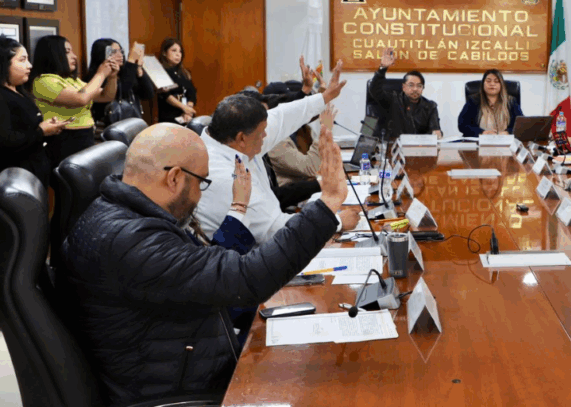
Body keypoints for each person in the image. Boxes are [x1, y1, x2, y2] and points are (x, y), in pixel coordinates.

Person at [58, 118, 358, 406]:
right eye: (201, 182)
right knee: (335, 380)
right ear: (174, 178)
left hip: (188, 362)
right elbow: (245, 278)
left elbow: (209, 270)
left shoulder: (119, 214)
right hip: (184, 390)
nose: (200, 196)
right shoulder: (131, 241)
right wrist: (327, 204)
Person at [195, 59, 347, 244]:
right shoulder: (224, 176)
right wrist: (336, 220)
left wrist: (325, 97)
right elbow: (277, 231)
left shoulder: (233, 139)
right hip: (255, 252)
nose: (267, 135)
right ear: (242, 138)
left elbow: (282, 117)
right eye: (261, 133)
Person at [30, 35, 117, 166]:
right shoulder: (43, 81)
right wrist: (101, 74)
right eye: (67, 52)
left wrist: (112, 77)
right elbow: (80, 99)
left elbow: (106, 96)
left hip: (85, 136)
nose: (74, 56)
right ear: (53, 54)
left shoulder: (72, 80)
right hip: (63, 139)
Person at [0, 36, 67, 188]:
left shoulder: (20, 91)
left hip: (35, 169)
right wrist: (41, 131)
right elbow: (5, 140)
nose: (29, 65)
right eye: (22, 60)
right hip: (16, 177)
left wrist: (48, 128)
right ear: (4, 63)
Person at [370, 48, 441, 140]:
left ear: (422, 88)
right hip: (394, 145)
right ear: (403, 87)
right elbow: (374, 90)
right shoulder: (392, 100)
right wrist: (382, 68)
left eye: (419, 86)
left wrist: (436, 133)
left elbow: (435, 129)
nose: (415, 89)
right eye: (411, 85)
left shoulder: (430, 106)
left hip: (420, 147)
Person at [84, 39, 155, 125]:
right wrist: (131, 61)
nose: (120, 55)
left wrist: (139, 67)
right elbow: (121, 93)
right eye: (114, 52)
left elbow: (148, 94)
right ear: (102, 54)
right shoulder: (96, 78)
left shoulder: (126, 72)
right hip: (108, 126)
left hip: (131, 124)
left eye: (120, 51)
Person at [457, 69, 523, 137]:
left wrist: (508, 132)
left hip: (505, 140)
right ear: (483, 84)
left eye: (496, 81)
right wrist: (482, 132)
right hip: (480, 140)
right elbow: (462, 125)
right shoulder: (473, 101)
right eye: (488, 81)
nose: (492, 84)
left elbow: (521, 125)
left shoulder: (511, 101)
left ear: (501, 85)